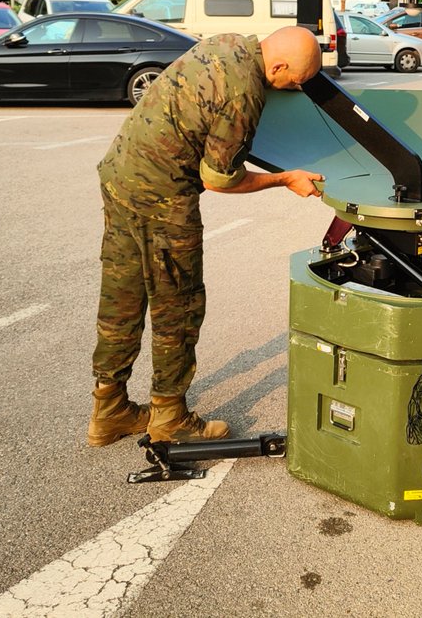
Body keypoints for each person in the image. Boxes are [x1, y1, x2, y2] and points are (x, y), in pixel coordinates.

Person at [88, 26, 326, 447]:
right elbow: (220, 180)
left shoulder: (227, 42)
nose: (295, 89)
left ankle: (109, 410)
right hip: (162, 198)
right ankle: (170, 416)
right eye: (296, 81)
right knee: (177, 305)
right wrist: (286, 179)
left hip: (120, 177)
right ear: (280, 66)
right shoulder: (243, 94)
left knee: (122, 297)